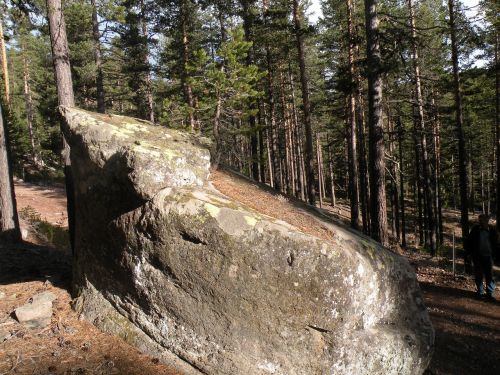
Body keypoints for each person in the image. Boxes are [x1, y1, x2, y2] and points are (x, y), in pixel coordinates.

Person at [465, 214, 498, 301]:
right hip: (478, 256)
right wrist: (468, 254)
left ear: (487, 221)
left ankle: (489, 294)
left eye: (482, 220)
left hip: (489, 257)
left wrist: (495, 256)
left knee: (489, 275)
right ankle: (480, 292)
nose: (480, 222)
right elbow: (469, 241)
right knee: (479, 274)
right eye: (479, 220)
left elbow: (496, 244)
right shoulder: (475, 229)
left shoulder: (492, 231)